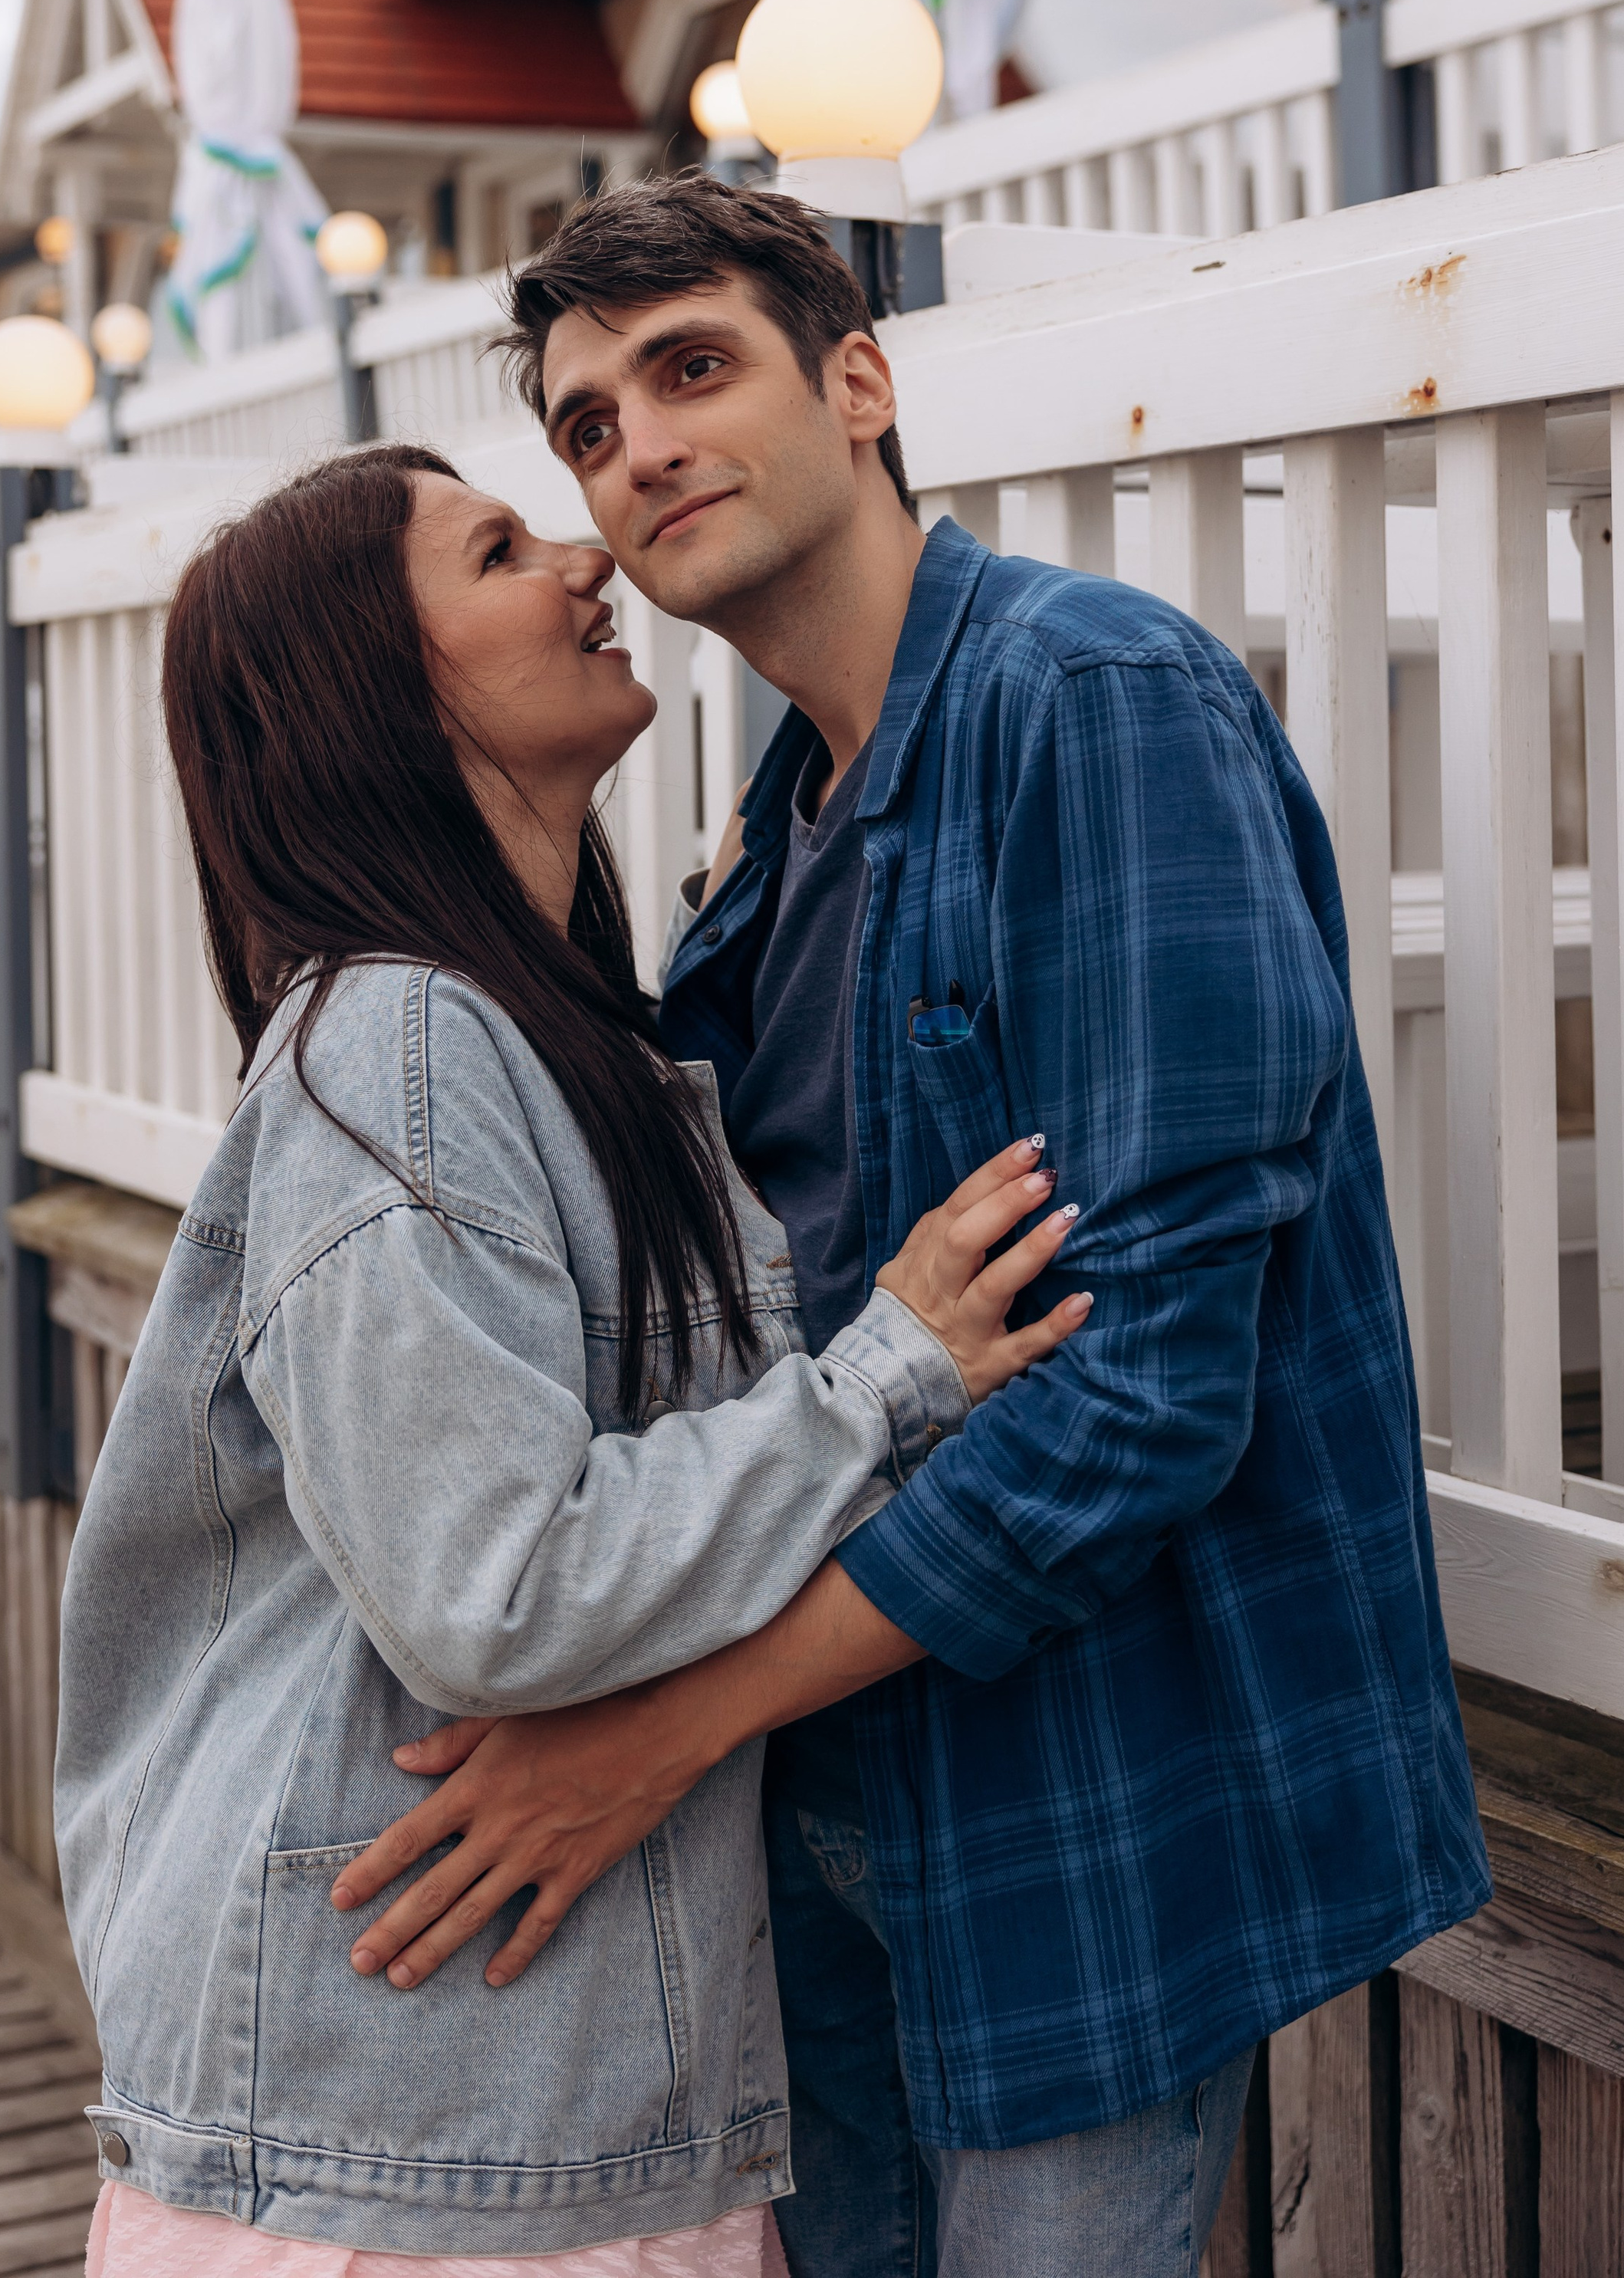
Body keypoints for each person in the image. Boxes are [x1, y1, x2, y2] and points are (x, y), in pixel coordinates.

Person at [330, 179, 1492, 2278]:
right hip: (825, 1805)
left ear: (856, 382)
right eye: (585, 427)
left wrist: (658, 1732)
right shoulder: (770, 837)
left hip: (1085, 1790)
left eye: (692, 368)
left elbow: (1145, 1395)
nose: (638, 447)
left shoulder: (1092, 704)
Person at [54, 442, 1089, 2273]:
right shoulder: (399, 1044)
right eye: (499, 550)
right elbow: (495, 1584)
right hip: (412, 2115)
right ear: (382, 682)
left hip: (532, 2090)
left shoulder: (541, 1032)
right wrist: (885, 1372)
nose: (581, 557)